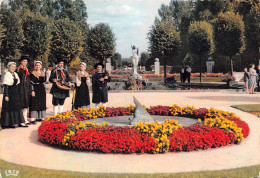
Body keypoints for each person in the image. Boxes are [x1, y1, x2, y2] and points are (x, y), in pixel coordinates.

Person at [1, 62, 28, 128]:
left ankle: (19, 122)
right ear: (8, 67)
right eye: (11, 67)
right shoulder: (7, 74)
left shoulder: (15, 74)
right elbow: (6, 86)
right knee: (10, 107)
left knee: (17, 107)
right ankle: (10, 123)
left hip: (16, 93)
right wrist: (6, 95)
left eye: (14, 67)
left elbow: (18, 84)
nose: (13, 68)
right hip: (10, 93)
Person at [16, 55, 31, 124]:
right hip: (20, 89)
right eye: (24, 61)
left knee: (25, 105)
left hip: (26, 89)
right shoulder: (18, 69)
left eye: (26, 62)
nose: (25, 63)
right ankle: (20, 120)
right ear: (21, 62)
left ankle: (25, 119)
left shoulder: (27, 70)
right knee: (21, 105)